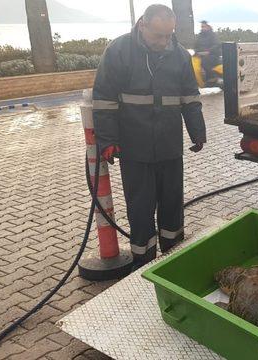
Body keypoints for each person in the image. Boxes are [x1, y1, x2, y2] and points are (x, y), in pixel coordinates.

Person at [92, 4, 206, 268]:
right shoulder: (118, 51)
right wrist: (107, 141)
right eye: (159, 36)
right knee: (141, 209)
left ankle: (174, 254)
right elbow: (104, 100)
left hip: (169, 147)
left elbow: (190, 97)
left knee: (172, 204)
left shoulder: (178, 55)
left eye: (169, 35)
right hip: (135, 150)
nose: (165, 42)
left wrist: (197, 131)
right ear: (142, 25)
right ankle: (142, 261)